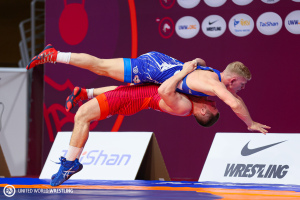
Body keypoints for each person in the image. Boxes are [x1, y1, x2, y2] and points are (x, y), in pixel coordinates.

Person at [26, 44, 270, 134]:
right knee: (100, 67)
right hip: (152, 68)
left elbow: (200, 62)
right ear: (233, 80)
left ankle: (85, 93)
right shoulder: (215, 86)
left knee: (127, 91)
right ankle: (55, 55)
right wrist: (250, 123)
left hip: (160, 68)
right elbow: (235, 103)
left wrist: (194, 64)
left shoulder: (212, 73)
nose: (241, 89)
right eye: (242, 85)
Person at [50, 61, 219, 186]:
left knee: (82, 115)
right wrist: (198, 64)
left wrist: (183, 71)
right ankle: (85, 93)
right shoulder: (195, 98)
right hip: (133, 93)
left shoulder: (185, 107)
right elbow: (200, 67)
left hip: (129, 100)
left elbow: (164, 90)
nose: (214, 102)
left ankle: (70, 164)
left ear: (203, 112)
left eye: (213, 107)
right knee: (119, 90)